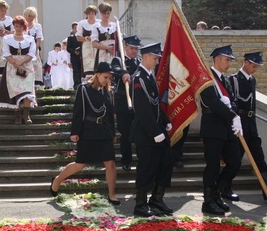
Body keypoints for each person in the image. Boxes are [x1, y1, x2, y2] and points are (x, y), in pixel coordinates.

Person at [50, 62, 119, 205]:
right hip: (88, 130)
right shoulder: (84, 89)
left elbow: (110, 113)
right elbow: (78, 111)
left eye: (110, 78)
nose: (108, 80)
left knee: (110, 163)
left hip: (104, 130)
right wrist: (75, 131)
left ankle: (112, 194)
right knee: (80, 164)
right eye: (106, 77)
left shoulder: (107, 91)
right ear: (97, 74)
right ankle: (57, 180)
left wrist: (113, 133)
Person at [229, 52, 267, 199]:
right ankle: (223, 187)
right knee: (235, 159)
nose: (255, 69)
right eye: (254, 66)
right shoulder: (234, 80)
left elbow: (252, 105)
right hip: (239, 123)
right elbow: (233, 103)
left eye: (257, 67)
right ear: (246, 63)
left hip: (251, 123)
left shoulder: (252, 80)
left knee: (258, 155)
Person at [131, 43, 174, 217]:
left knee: (166, 162)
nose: (157, 61)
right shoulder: (139, 78)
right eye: (155, 58)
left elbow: (155, 104)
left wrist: (166, 120)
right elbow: (142, 110)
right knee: (146, 167)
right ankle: (140, 203)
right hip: (146, 133)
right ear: (146, 57)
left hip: (157, 128)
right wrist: (155, 132)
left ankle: (157, 199)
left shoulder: (149, 76)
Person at [199, 45, 242, 216]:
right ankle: (208, 200)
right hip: (213, 127)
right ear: (217, 59)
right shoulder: (207, 78)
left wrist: (234, 116)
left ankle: (217, 193)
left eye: (231, 60)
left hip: (227, 126)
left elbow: (232, 101)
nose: (229, 62)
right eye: (227, 59)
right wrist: (232, 115)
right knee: (212, 165)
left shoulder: (225, 80)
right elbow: (212, 102)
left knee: (235, 162)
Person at [0, 15, 37, 125]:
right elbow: (6, 54)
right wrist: (16, 64)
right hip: (12, 68)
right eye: (16, 26)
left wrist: (21, 63)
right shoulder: (7, 39)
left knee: (27, 91)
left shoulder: (30, 39)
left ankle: (26, 114)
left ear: (24, 27)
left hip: (26, 67)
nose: (18, 28)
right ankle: (17, 115)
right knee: (15, 91)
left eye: (20, 26)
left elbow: (31, 54)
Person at [111, 35, 141, 171]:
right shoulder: (119, 60)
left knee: (140, 133)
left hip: (138, 103)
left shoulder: (140, 62)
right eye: (131, 48)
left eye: (136, 48)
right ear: (125, 48)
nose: (134, 51)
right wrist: (123, 73)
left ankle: (141, 159)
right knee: (125, 133)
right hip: (123, 102)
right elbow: (114, 69)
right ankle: (126, 160)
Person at [23, 6, 44, 89]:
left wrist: (34, 49)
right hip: (23, 50)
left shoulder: (37, 26)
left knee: (36, 66)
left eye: (33, 16)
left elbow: (39, 39)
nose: (31, 18)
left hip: (34, 49)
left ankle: (36, 83)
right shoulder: (22, 26)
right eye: (29, 16)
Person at [92, 2, 116, 69]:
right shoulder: (96, 26)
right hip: (102, 54)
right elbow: (94, 44)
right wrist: (107, 47)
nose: (106, 15)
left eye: (108, 13)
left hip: (114, 53)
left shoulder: (115, 26)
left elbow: (119, 40)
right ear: (101, 13)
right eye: (104, 13)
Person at [76, 5, 98, 78]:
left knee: (97, 62)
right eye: (89, 13)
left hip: (97, 46)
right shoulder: (82, 23)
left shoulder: (98, 23)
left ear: (95, 14)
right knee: (88, 65)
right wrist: (86, 38)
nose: (91, 15)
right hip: (87, 47)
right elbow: (78, 38)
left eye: (93, 13)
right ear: (87, 14)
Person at [67, 22, 83, 89]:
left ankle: (81, 83)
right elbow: (68, 48)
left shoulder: (81, 37)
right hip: (74, 57)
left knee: (81, 70)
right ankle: (76, 84)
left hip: (81, 56)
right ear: (73, 29)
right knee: (75, 71)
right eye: (75, 28)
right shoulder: (70, 38)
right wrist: (74, 51)